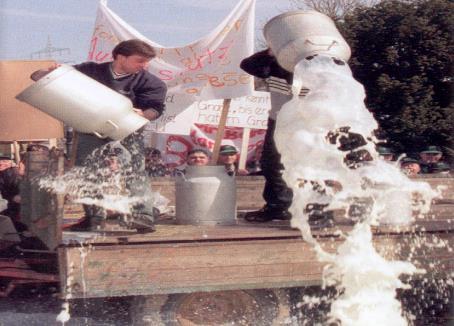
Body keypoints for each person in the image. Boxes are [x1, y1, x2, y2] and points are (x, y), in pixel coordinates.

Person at [31, 39, 167, 232]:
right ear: (121, 57)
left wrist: (144, 114)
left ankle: (143, 216)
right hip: (90, 128)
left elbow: (155, 109)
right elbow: (37, 77)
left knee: (134, 170)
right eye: (140, 60)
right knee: (86, 170)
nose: (144, 66)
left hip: (127, 129)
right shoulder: (89, 70)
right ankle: (94, 217)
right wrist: (51, 72)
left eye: (147, 62)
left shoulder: (151, 82)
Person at [240, 48, 309, 222]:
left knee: (311, 164)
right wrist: (272, 51)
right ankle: (277, 206)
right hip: (278, 120)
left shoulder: (317, 67)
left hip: (309, 123)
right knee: (271, 164)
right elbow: (247, 65)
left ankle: (317, 209)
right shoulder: (275, 64)